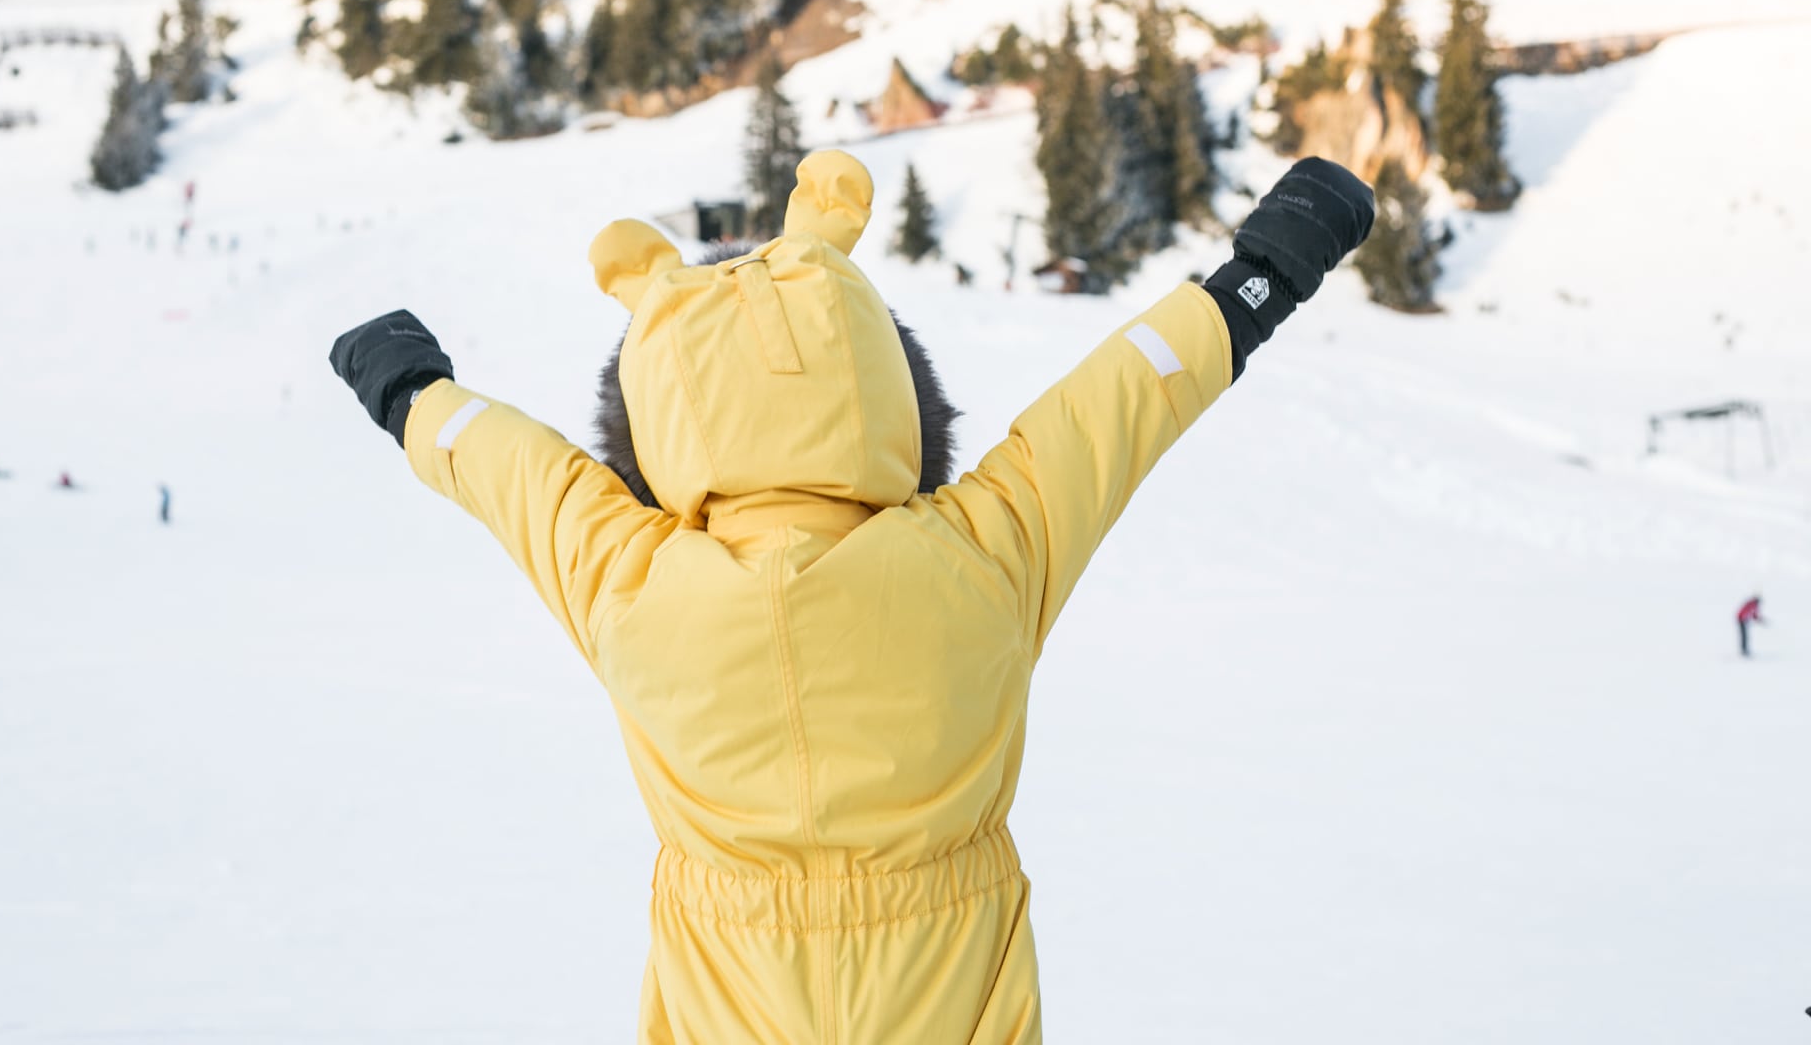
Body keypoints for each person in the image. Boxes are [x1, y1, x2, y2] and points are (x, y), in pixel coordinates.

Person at [330, 152, 1373, 1041]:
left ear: (654, 441)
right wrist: (1260, 277)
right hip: (947, 975)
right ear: (890, 398)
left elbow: (517, 471)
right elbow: (1115, 406)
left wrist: (413, 394)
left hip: (728, 978)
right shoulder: (983, 556)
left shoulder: (633, 582)